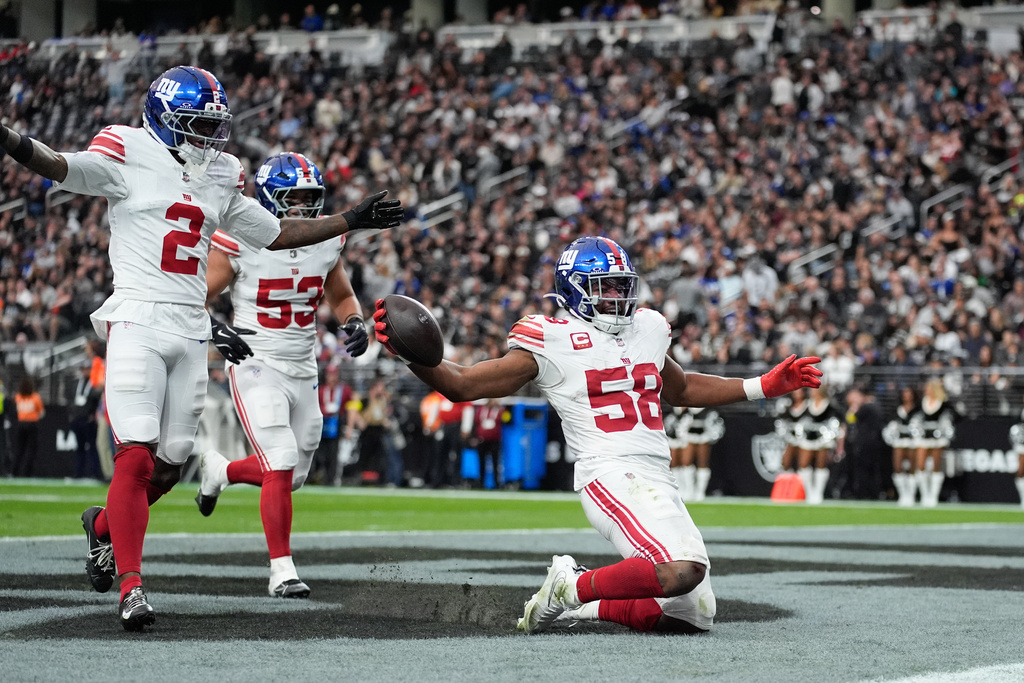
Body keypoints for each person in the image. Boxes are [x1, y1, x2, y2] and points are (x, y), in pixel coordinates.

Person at [0, 65, 401, 631]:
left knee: (167, 469)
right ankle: (132, 587)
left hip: (190, 329)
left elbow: (276, 232)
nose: (209, 137)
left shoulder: (221, 173)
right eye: (197, 124)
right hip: (138, 316)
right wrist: (11, 139)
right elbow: (60, 165)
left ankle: (101, 528)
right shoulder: (127, 149)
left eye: (215, 125)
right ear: (164, 120)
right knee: (135, 454)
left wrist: (351, 220)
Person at [373, 236, 822, 634]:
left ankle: (581, 606)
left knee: (691, 613)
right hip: (608, 470)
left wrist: (763, 385)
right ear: (572, 290)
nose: (614, 297)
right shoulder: (550, 338)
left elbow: (681, 388)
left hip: (655, 474)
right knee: (682, 568)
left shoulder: (647, 328)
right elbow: (463, 384)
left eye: (620, 286)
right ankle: (570, 587)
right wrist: (405, 351)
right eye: (602, 287)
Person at [194, 152, 370, 599]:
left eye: (310, 199)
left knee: (292, 473)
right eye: (292, 198)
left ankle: (222, 470)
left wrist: (354, 321)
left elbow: (342, 293)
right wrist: (217, 330)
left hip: (302, 363)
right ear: (270, 199)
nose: (303, 209)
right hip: (255, 357)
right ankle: (281, 570)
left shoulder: (327, 240)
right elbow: (194, 295)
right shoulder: (239, 238)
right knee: (281, 452)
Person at [666, 406, 724, 502]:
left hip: (703, 435)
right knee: (685, 462)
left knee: (702, 462)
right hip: (686, 436)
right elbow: (679, 423)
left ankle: (700, 492)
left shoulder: (707, 409)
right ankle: (686, 489)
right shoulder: (683, 410)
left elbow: (713, 421)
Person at [884, 386, 920, 506]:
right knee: (898, 468)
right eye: (904, 393)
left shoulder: (918, 409)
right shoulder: (897, 409)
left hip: (912, 442)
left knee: (912, 468)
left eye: (909, 393)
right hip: (899, 441)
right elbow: (890, 423)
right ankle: (903, 494)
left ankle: (911, 495)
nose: (907, 396)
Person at [463, 398, 504, 488]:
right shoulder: (482, 409)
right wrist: (474, 437)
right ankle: (481, 482)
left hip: (494, 440)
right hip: (482, 440)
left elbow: (506, 419)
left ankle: (496, 483)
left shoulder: (500, 410)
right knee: (481, 461)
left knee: (495, 462)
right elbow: (476, 422)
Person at [12, 375, 44, 477]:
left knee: (19, 449)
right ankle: (27, 473)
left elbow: (16, 411)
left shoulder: (18, 397)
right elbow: (42, 412)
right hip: (32, 424)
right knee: (31, 450)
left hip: (21, 424)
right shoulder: (36, 397)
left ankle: (15, 472)